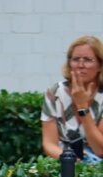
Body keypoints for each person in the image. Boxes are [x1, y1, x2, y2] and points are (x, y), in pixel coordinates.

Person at [41, 35, 103, 163]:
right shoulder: (55, 93)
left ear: (99, 66)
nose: (80, 65)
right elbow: (49, 144)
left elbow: (100, 149)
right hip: (64, 161)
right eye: (75, 59)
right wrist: (72, 160)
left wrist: (82, 107)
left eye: (88, 60)